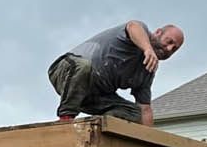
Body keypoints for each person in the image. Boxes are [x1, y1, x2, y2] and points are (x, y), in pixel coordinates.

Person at [48, 21, 184, 125]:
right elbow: (133, 26)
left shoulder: (146, 72)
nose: (169, 48)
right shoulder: (139, 32)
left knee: (134, 112)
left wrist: (149, 143)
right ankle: (65, 119)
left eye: (174, 49)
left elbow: (145, 109)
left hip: (93, 96)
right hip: (66, 72)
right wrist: (147, 48)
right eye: (169, 42)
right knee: (83, 66)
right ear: (158, 32)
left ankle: (99, 128)